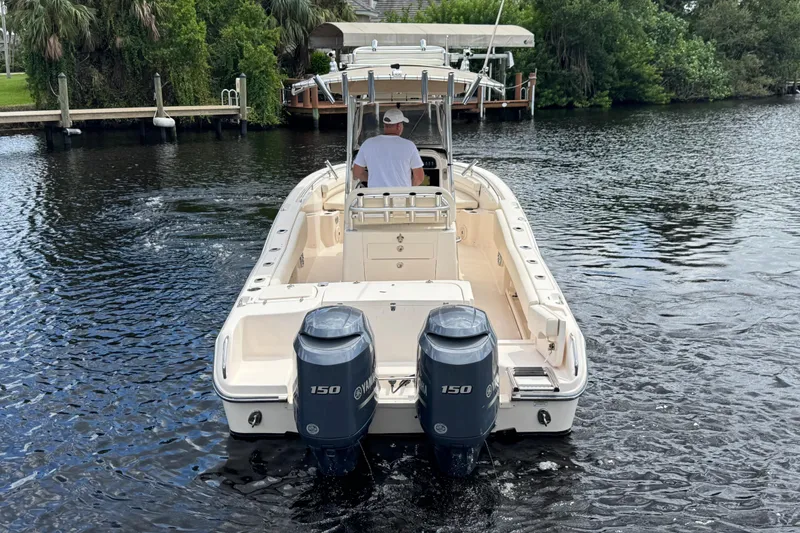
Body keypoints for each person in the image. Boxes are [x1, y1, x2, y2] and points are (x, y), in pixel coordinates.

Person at [353, 109, 424, 188]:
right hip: (401, 198)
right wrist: (407, 188)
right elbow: (419, 178)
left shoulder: (367, 144)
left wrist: (372, 178)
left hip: (374, 198)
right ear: (398, 126)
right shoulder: (409, 146)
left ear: (385, 125)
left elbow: (357, 173)